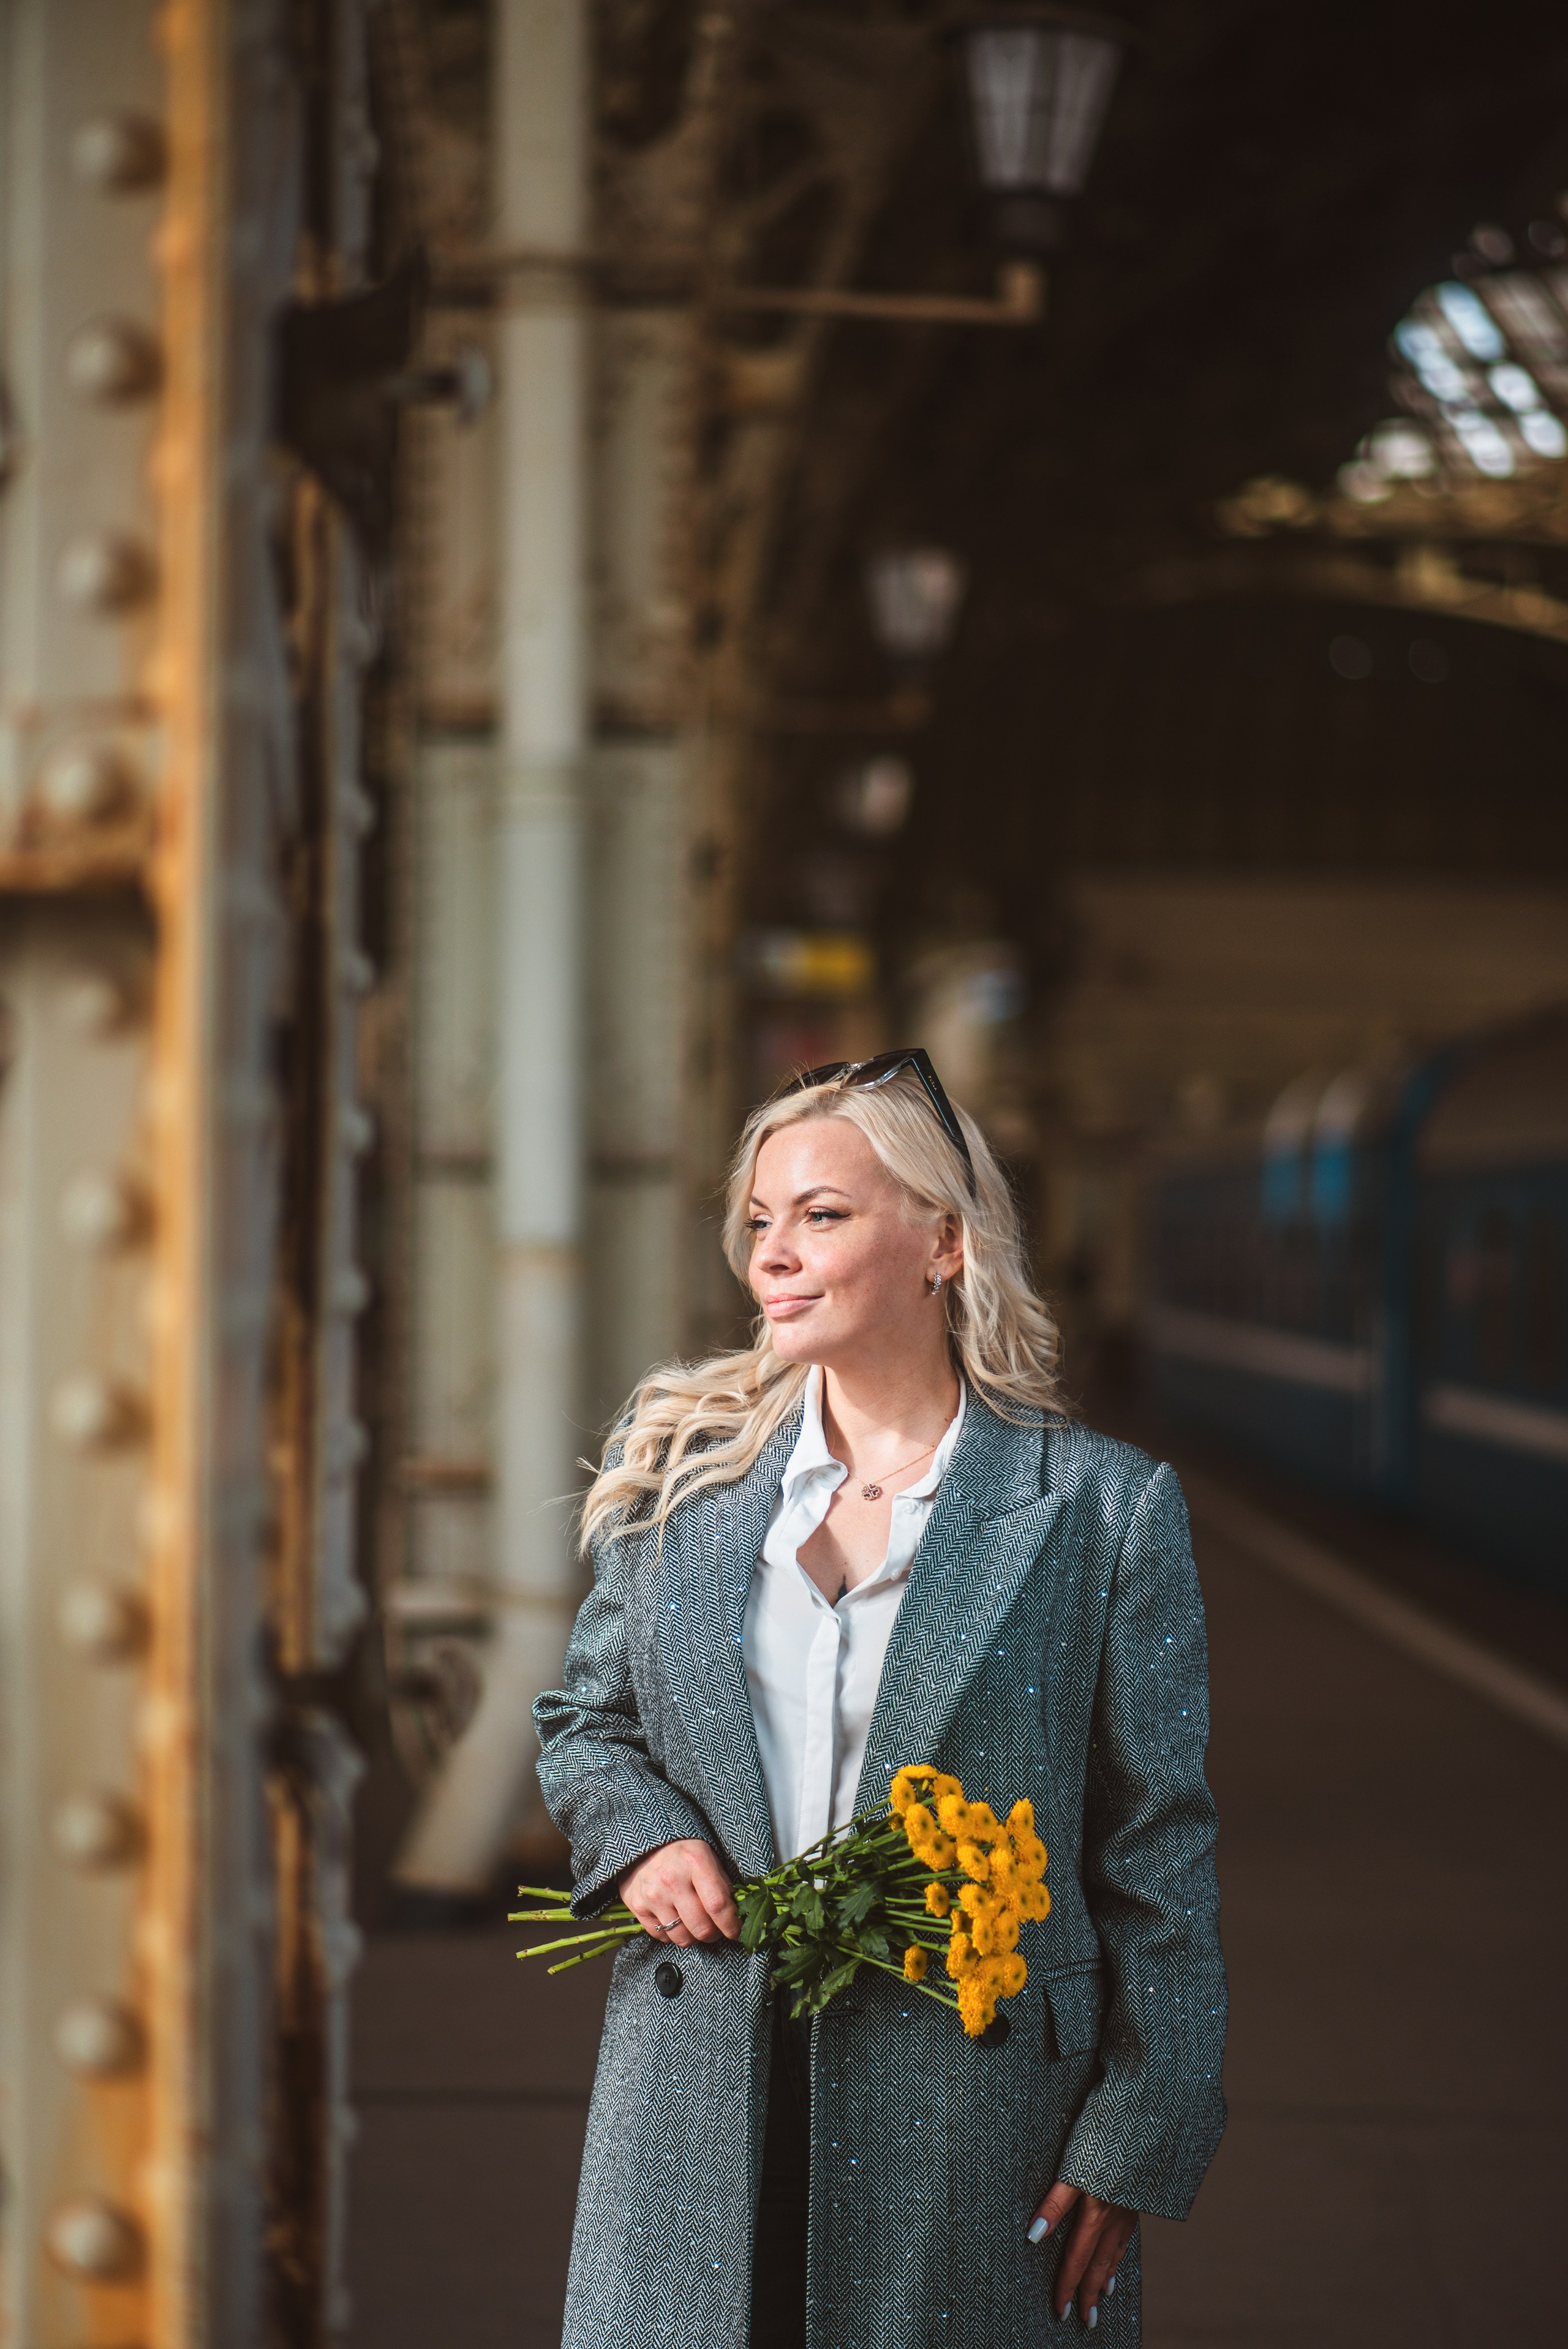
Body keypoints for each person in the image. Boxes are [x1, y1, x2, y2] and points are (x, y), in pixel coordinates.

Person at [534, 1050, 1226, 2348]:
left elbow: (1156, 1847)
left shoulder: (1100, 1508)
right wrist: (642, 1838)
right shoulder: (683, 1475)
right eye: (760, 1219)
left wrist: (1140, 2131)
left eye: (821, 1214)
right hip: (696, 2095)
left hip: (979, 2118)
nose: (773, 1254)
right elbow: (586, 1723)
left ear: (943, 1243)